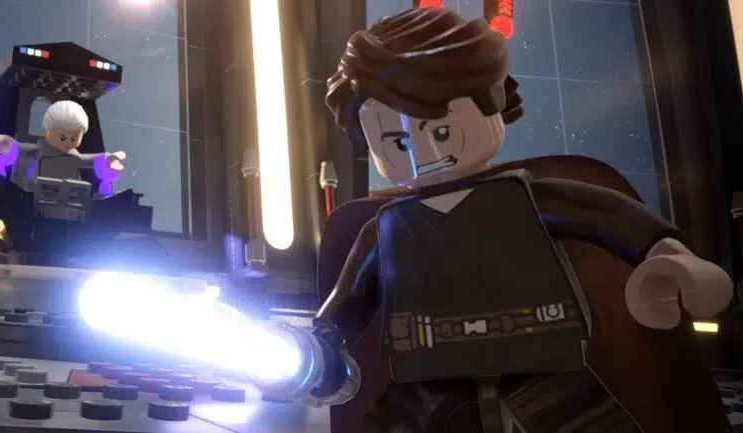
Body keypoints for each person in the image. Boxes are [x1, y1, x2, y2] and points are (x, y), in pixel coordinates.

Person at [267, 7, 732, 433]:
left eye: (441, 130)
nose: (425, 152)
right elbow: (348, 300)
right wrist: (318, 346)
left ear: (492, 100)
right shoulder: (385, 230)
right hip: (426, 384)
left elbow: (613, 220)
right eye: (398, 142)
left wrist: (671, 257)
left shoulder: (525, 197)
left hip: (543, 370)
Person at [0, 100, 125, 181]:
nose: (67, 143)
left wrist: (107, 160)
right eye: (62, 138)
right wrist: (10, 147)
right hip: (37, 194)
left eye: (74, 138)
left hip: (70, 196)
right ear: (47, 132)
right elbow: (22, 150)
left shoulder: (74, 156)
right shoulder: (41, 151)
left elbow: (91, 160)